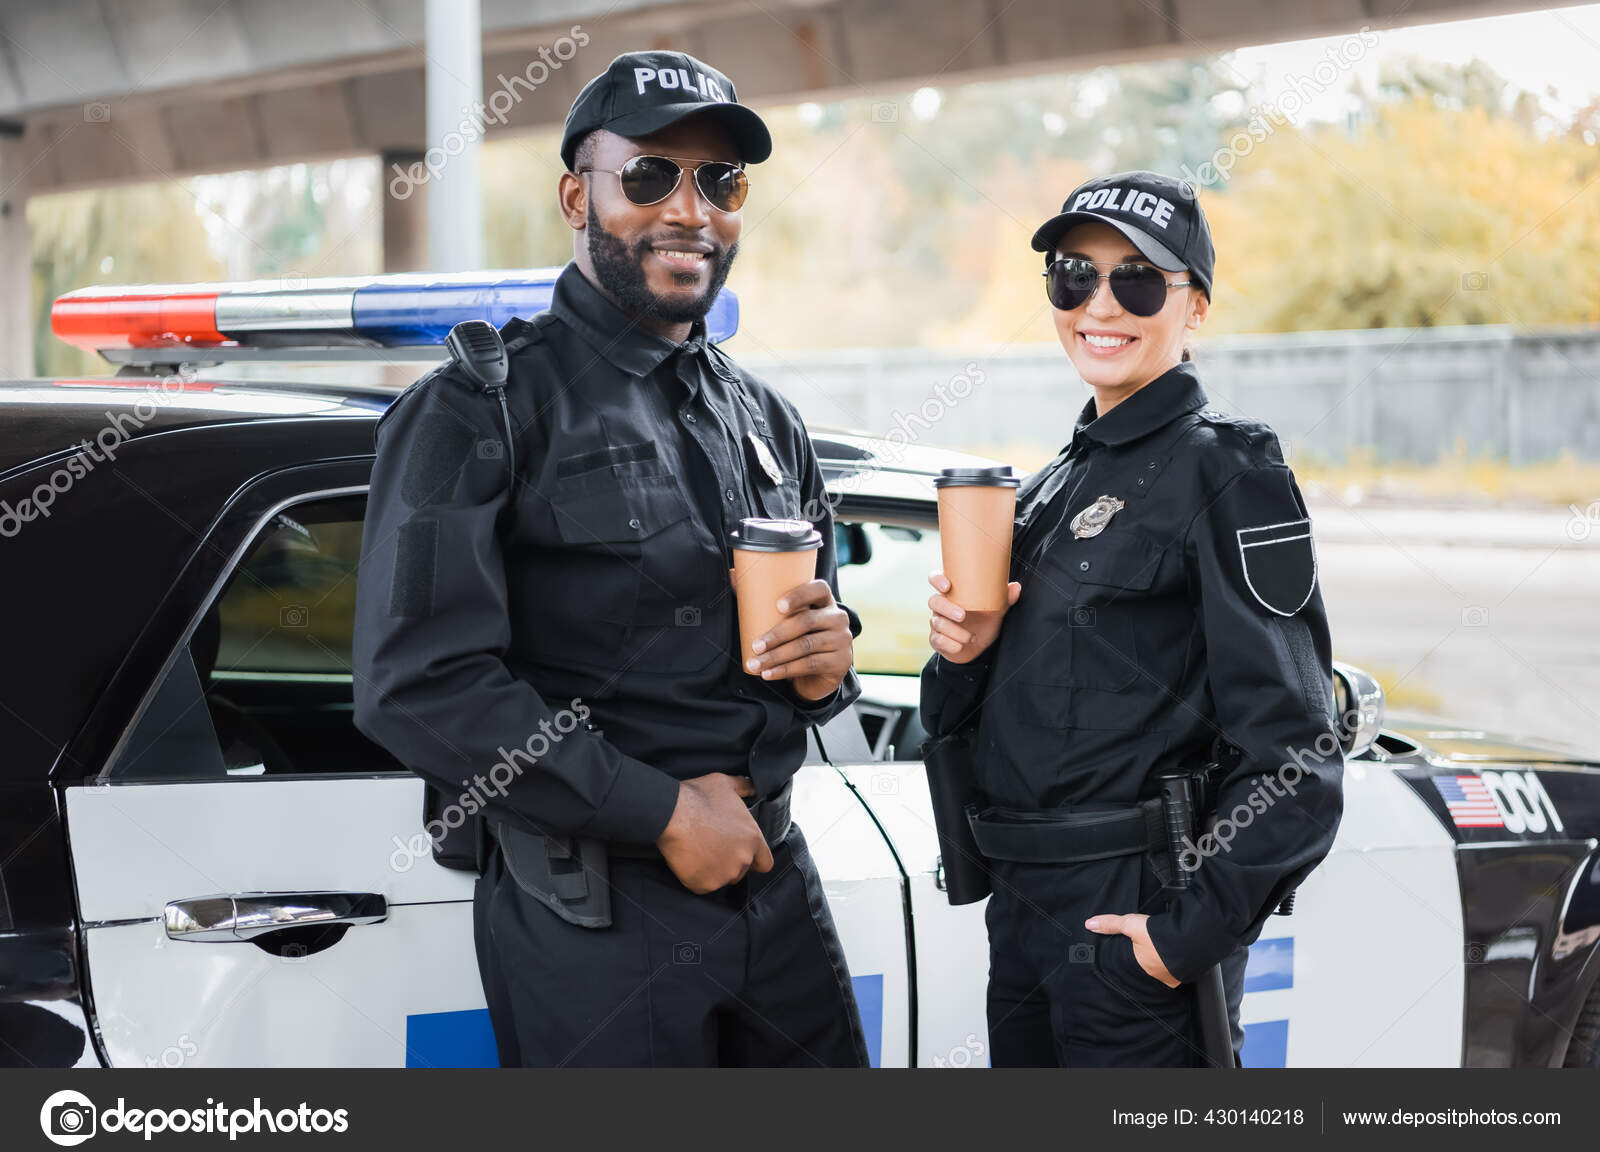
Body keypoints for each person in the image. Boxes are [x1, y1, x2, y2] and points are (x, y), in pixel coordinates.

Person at [352, 49, 869, 1068]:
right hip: (593, 911)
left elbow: (813, 644)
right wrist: (663, 810)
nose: (691, 210)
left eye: (719, 181)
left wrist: (828, 661)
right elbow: (416, 685)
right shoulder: (477, 408)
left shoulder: (766, 416)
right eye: (649, 176)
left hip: (776, 876)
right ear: (573, 195)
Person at [919, 171, 1343, 1067]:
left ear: (1195, 309)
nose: (1100, 304)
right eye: (1075, 275)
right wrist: (963, 655)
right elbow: (964, 725)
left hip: (1135, 930)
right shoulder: (1042, 491)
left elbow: (1299, 753)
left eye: (1139, 279)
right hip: (1025, 921)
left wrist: (1181, 941)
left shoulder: (1228, 474)